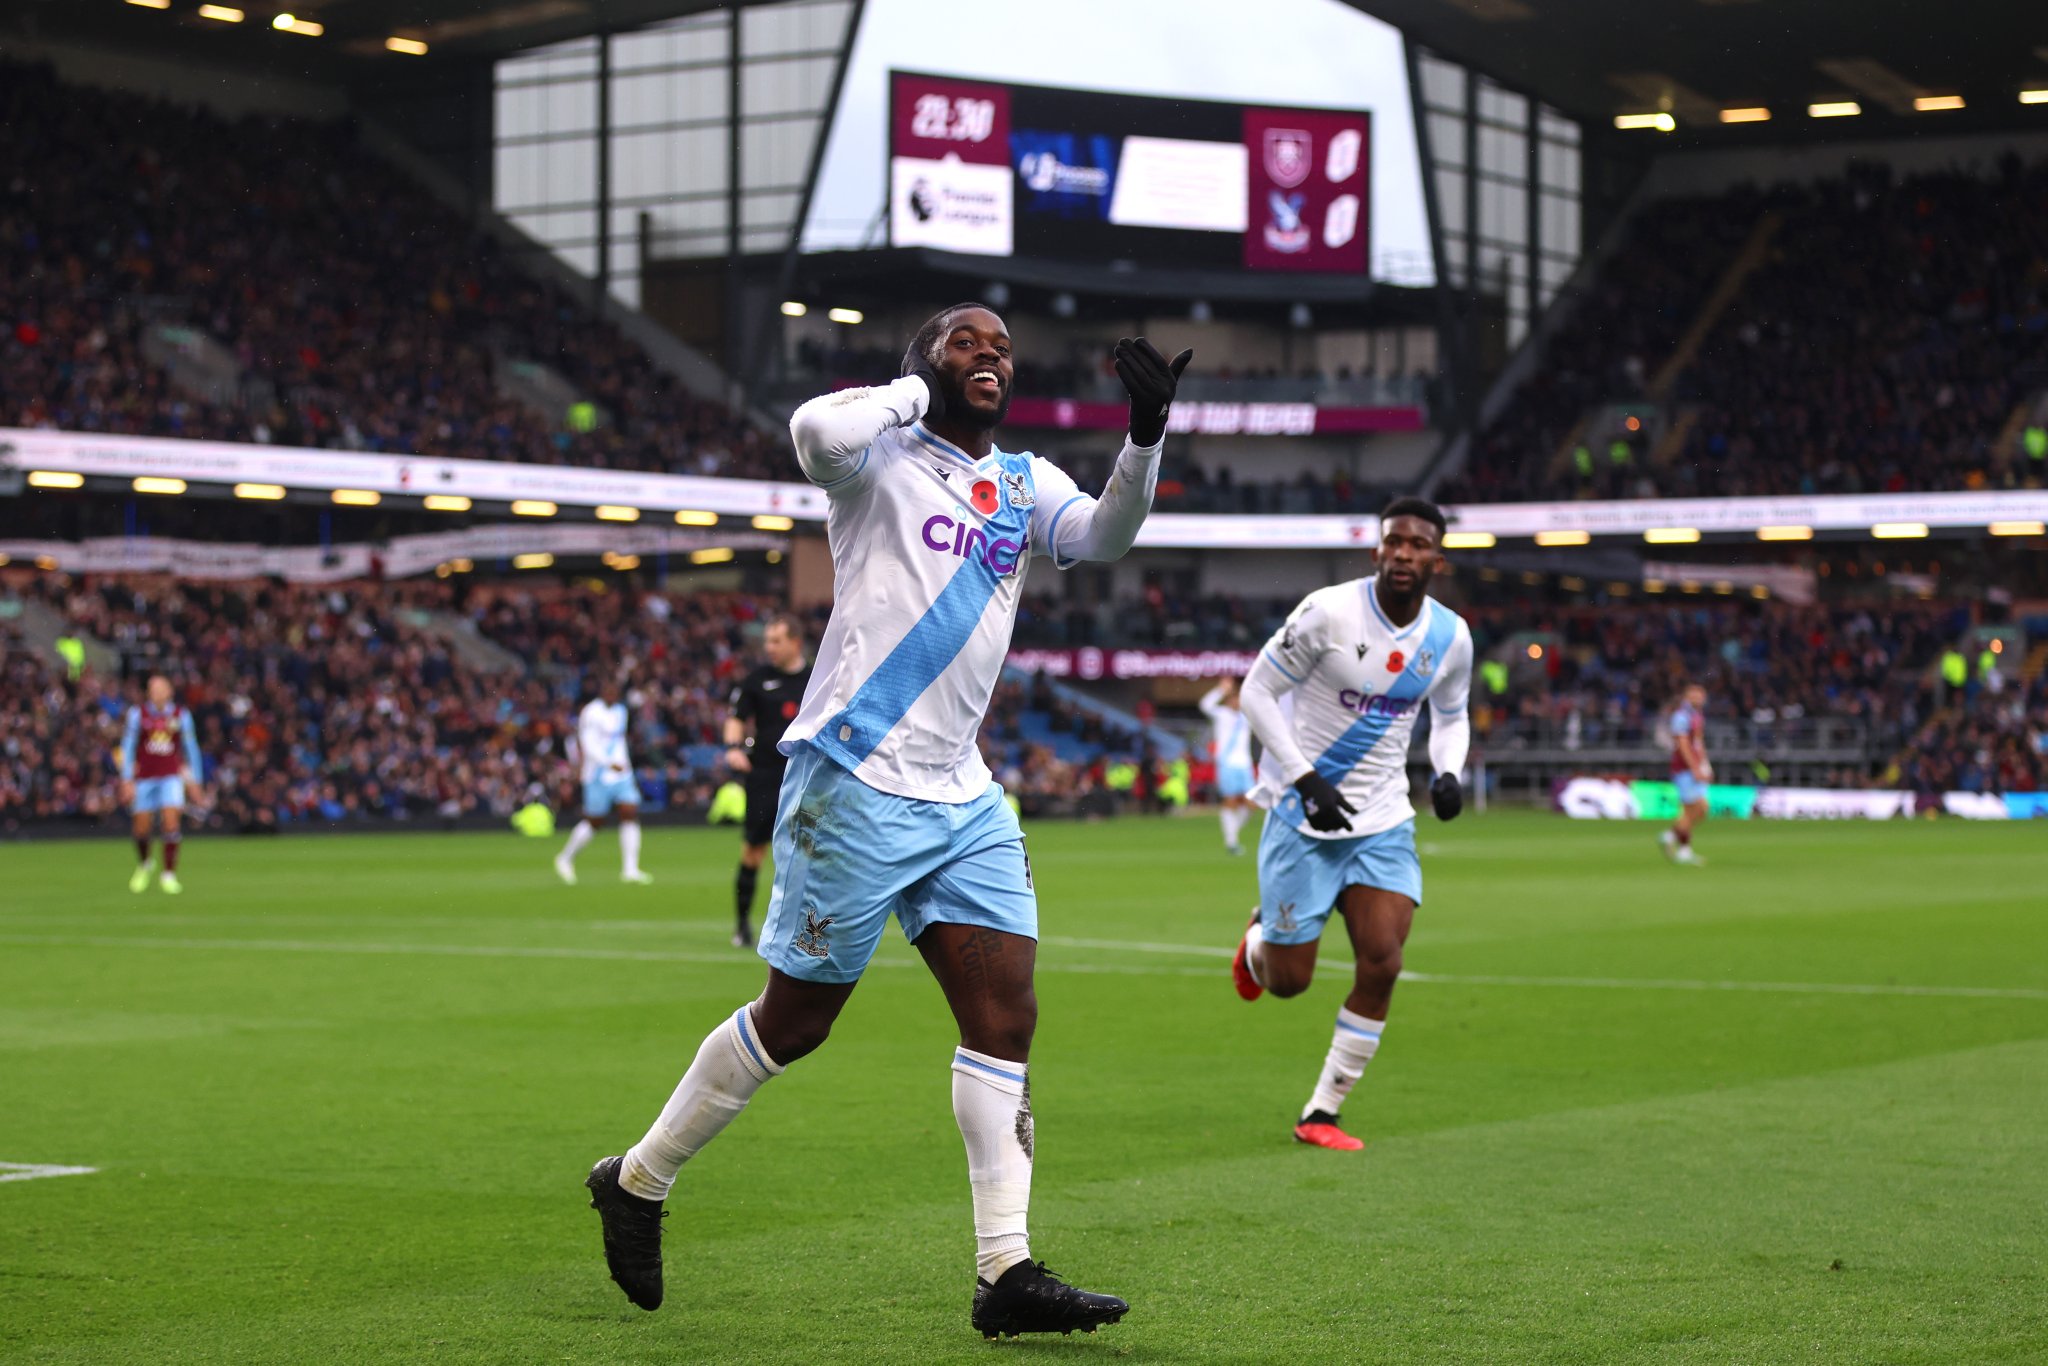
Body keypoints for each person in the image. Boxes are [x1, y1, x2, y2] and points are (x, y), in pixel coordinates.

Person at [585, 304, 1190, 1339]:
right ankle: (637, 1179)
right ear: (921, 363)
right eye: (966, 342)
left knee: (1006, 1017)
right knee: (799, 1019)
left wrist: (1143, 436)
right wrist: (917, 385)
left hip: (961, 791)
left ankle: (1003, 1269)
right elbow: (813, 431)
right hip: (854, 780)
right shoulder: (878, 458)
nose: (989, 354)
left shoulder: (1025, 481)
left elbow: (1107, 535)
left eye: (1001, 346)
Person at [1228, 497, 1472, 1152]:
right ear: (1377, 551)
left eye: (1418, 545)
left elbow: (1451, 715)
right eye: (1394, 541)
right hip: (1301, 816)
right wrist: (1303, 777)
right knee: (1289, 983)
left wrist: (1450, 770)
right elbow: (1255, 691)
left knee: (1384, 961)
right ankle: (1257, 943)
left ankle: (1322, 1113)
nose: (1404, 553)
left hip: (1383, 820)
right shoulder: (1327, 612)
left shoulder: (1451, 638)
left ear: (1436, 560)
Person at [723, 615, 813, 948]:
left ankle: (804, 930)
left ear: (795, 642)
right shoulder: (757, 679)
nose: (769, 648)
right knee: (753, 851)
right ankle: (742, 924)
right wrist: (734, 748)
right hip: (764, 775)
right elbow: (735, 718)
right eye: (767, 641)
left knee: (807, 853)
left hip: (806, 776)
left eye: (776, 641)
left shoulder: (817, 678)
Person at [554, 676, 652, 886]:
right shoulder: (591, 712)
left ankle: (630, 869)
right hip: (597, 774)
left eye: (616, 691)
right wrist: (608, 763)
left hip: (622, 773)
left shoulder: (620, 711)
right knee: (595, 822)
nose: (613, 694)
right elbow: (588, 745)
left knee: (630, 813)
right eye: (609, 690)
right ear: (602, 691)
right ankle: (565, 858)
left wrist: (625, 766)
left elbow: (619, 741)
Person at [119, 674, 205, 895]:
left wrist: (195, 780)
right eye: (152, 689)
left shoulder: (180, 715)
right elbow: (127, 747)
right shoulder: (138, 714)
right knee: (141, 828)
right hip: (144, 778)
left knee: (170, 822)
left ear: (169, 692)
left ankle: (169, 874)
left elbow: (190, 747)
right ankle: (145, 863)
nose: (156, 693)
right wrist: (126, 779)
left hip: (170, 776)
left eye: (160, 689)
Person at [1198, 677, 1255, 854]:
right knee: (1230, 801)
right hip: (1227, 763)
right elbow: (1204, 705)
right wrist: (1221, 690)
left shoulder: (1247, 717)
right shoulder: (1222, 714)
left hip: (1245, 763)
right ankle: (1231, 842)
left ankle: (1232, 834)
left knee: (1251, 803)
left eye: (1238, 698)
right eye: (1232, 698)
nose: (1235, 702)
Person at [1660, 683, 1710, 866]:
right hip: (1684, 769)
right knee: (1694, 808)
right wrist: (1695, 768)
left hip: (1694, 767)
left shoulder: (1696, 716)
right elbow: (1683, 745)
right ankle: (1682, 848)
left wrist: (1705, 766)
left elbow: (1698, 742)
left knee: (1700, 810)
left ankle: (1672, 837)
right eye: (1694, 695)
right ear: (1686, 696)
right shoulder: (1681, 717)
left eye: (1700, 694)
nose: (1698, 698)